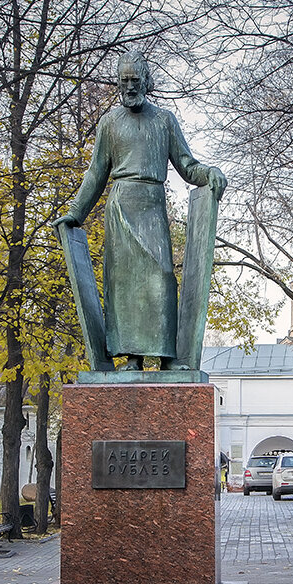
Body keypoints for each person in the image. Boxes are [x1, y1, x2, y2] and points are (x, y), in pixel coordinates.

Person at [58, 51, 227, 371]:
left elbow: (187, 166)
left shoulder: (164, 120)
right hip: (121, 205)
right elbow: (96, 173)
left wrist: (210, 173)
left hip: (152, 203)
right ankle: (132, 358)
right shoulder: (109, 123)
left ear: (147, 82)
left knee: (161, 278)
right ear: (118, 83)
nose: (130, 87)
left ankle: (166, 357)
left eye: (136, 81)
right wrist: (76, 211)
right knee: (123, 284)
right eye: (124, 81)